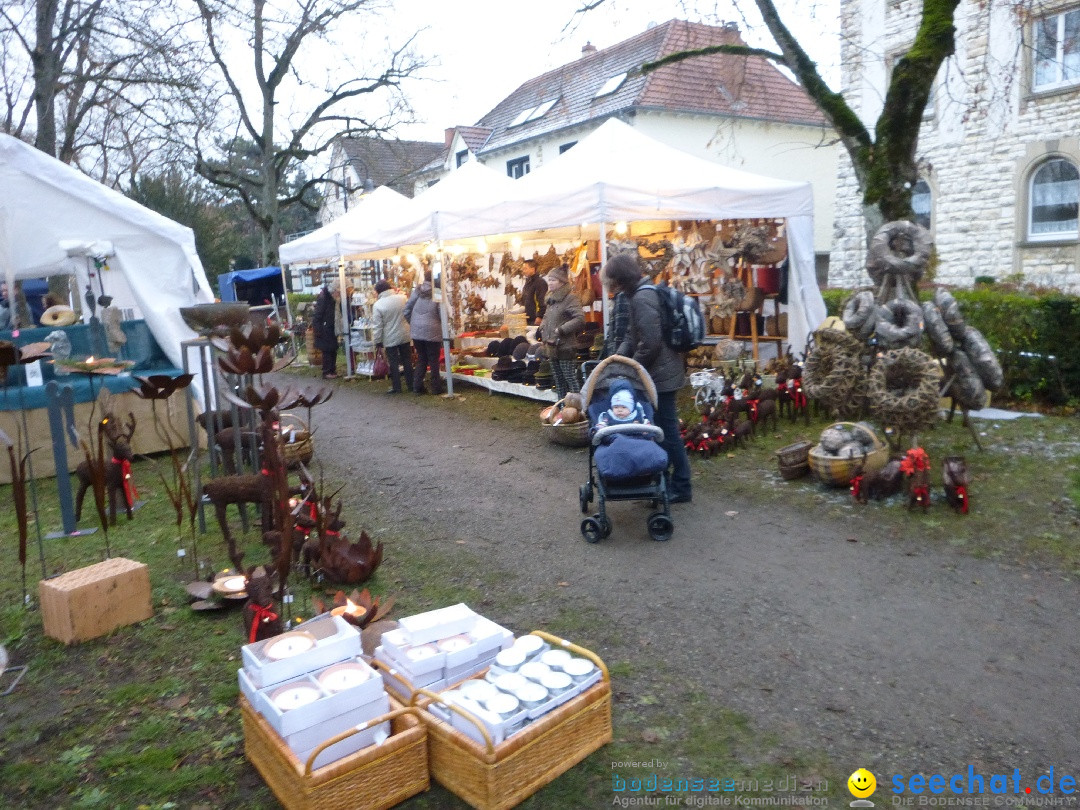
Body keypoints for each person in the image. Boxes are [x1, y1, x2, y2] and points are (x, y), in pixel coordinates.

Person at [604, 253, 692, 504]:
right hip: (659, 372)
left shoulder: (642, 297)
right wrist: (617, 361)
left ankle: (681, 486)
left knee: (667, 431)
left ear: (620, 279)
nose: (609, 285)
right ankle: (662, 479)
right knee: (660, 429)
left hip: (661, 375)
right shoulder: (638, 294)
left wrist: (632, 367)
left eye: (611, 280)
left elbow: (650, 344)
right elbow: (633, 337)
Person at [539, 263, 585, 399]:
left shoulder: (570, 298)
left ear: (561, 282)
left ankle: (578, 408)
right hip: (551, 345)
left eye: (553, 280)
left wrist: (562, 329)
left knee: (570, 378)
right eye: (549, 280)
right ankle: (561, 406)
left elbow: (580, 319)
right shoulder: (551, 299)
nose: (550, 283)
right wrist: (542, 326)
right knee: (558, 380)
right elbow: (548, 316)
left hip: (565, 346)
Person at [371, 279, 413, 394]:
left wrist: (377, 341)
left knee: (393, 363)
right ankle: (411, 384)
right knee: (407, 360)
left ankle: (397, 387)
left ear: (379, 291)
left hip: (390, 337)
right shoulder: (402, 298)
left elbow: (378, 326)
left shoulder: (378, 305)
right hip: (404, 333)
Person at [403, 275, 442, 395]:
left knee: (422, 358)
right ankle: (436, 388)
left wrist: (414, 323)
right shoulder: (438, 292)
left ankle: (417, 387)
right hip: (433, 330)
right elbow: (441, 313)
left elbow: (406, 310)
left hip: (417, 332)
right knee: (433, 360)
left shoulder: (417, 291)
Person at [311, 281, 340, 379]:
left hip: (329, 327)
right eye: (338, 292)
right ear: (333, 291)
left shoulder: (330, 299)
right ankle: (327, 371)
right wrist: (318, 329)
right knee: (327, 351)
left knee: (333, 349)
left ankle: (332, 370)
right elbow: (317, 315)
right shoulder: (324, 299)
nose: (339, 294)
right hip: (324, 328)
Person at [520, 259, 547, 326]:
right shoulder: (528, 282)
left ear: (532, 269)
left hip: (535, 319)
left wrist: (540, 316)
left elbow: (542, 300)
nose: (523, 271)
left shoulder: (540, 282)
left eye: (525, 269)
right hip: (528, 318)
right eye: (523, 269)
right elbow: (526, 299)